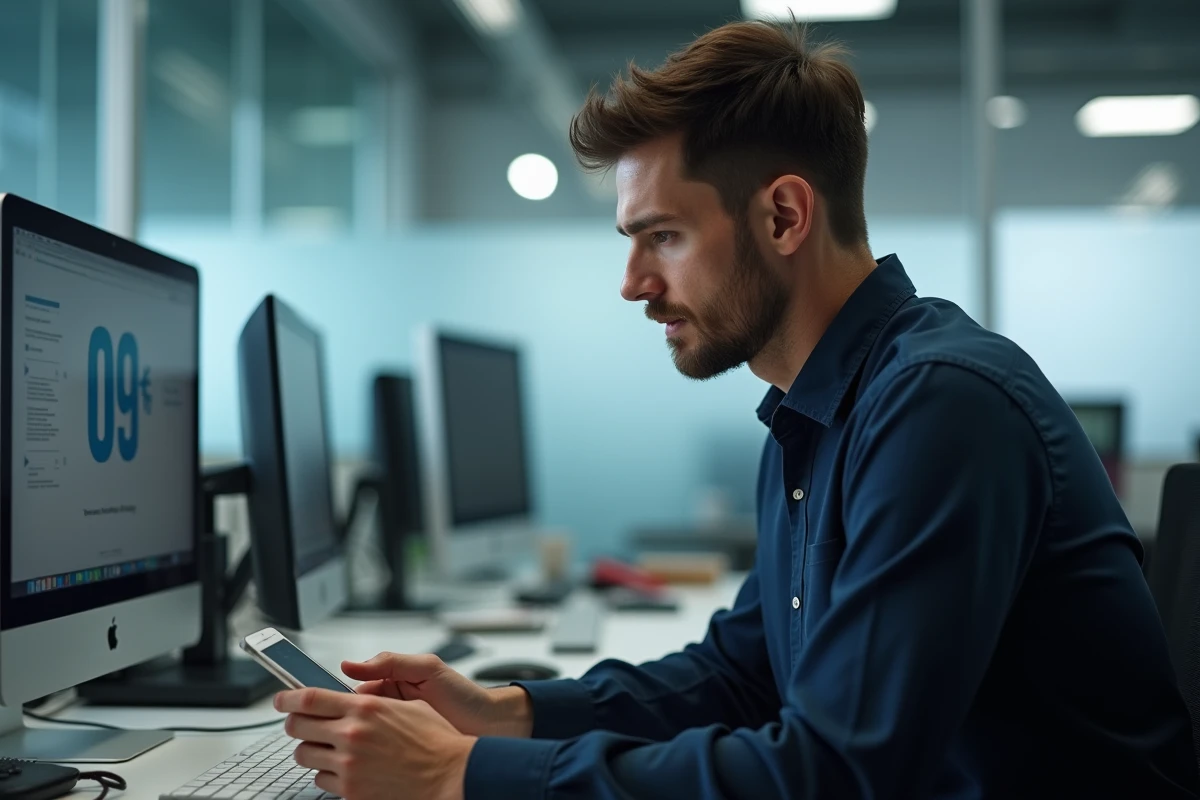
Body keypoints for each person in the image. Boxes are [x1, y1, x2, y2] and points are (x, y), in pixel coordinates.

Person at [273, 20, 1199, 800]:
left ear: (785, 217)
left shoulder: (938, 407)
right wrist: (503, 710)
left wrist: (461, 777)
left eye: (663, 238)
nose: (634, 285)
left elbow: (836, 773)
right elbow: (747, 671)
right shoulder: (813, 411)